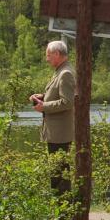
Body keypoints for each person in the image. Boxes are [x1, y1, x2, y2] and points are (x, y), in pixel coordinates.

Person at [29, 40, 76, 193]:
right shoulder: (60, 71)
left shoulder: (66, 73)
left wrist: (44, 106)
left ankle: (63, 209)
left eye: (48, 55)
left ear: (57, 54)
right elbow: (59, 95)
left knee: (59, 171)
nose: (47, 59)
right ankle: (61, 208)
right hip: (56, 133)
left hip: (60, 134)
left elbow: (68, 102)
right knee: (57, 170)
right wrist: (43, 96)